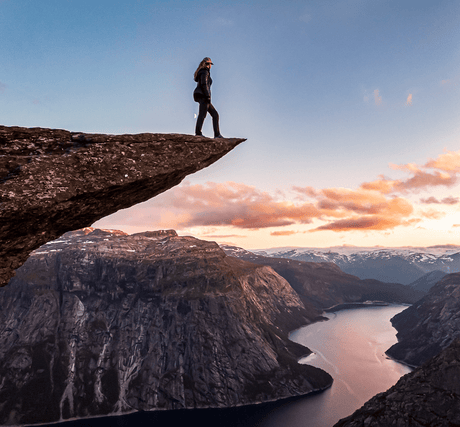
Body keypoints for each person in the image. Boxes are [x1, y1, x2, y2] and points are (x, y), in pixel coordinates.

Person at [193, 57, 223, 138]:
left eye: (210, 64)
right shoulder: (204, 72)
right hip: (204, 96)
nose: (210, 65)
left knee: (214, 114)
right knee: (203, 114)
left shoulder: (203, 72)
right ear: (205, 64)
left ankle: (217, 134)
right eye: (208, 64)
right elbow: (204, 84)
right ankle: (198, 133)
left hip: (203, 96)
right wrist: (207, 96)